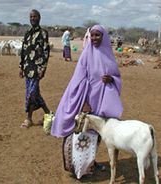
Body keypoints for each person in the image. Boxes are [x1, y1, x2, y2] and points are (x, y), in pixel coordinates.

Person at [51, 25, 123, 174]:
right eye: (93, 35)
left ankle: (90, 162)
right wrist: (83, 102)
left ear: (103, 37)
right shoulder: (86, 54)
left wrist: (111, 79)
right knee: (79, 131)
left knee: (95, 134)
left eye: (98, 35)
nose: (95, 38)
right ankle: (75, 164)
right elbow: (78, 79)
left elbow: (117, 77)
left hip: (101, 101)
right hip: (86, 100)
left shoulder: (108, 55)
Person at [19, 9, 52, 128]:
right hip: (27, 68)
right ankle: (49, 114)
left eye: (35, 16)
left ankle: (28, 118)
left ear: (39, 18)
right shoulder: (27, 33)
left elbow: (45, 52)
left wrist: (43, 68)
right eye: (31, 17)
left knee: (31, 93)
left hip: (37, 68)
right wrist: (21, 67)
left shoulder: (43, 33)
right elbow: (23, 51)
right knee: (35, 94)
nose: (32, 18)